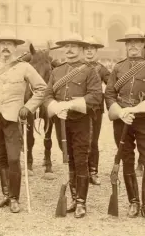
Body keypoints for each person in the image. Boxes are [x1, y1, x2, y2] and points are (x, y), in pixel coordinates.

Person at [0, 29, 47, 213]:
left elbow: (42, 88)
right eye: (2, 44)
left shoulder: (24, 67)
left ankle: (15, 198)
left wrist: (28, 107)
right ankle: (6, 195)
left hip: (13, 118)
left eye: (9, 44)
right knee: (1, 158)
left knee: (14, 158)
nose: (5, 47)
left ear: (15, 47)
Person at [105, 27, 145, 221]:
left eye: (136, 43)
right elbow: (109, 94)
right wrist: (121, 112)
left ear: (143, 45)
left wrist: (135, 109)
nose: (132, 46)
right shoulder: (118, 67)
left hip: (143, 120)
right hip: (122, 121)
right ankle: (134, 202)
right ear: (125, 46)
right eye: (128, 43)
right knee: (127, 160)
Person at [43, 33, 102, 218]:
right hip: (61, 123)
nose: (69, 49)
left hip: (81, 122)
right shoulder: (56, 71)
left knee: (81, 160)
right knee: (69, 160)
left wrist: (69, 105)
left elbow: (95, 97)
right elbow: (47, 95)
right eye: (66, 46)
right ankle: (74, 197)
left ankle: (81, 203)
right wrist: (54, 107)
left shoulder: (89, 71)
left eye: (74, 46)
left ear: (82, 49)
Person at [83, 36, 111, 185]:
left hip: (95, 111)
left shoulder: (101, 69)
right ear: (82, 51)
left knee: (93, 141)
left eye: (92, 49)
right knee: (79, 141)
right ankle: (81, 172)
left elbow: (112, 84)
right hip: (78, 110)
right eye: (86, 49)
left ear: (96, 51)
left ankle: (93, 171)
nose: (89, 51)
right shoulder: (77, 67)